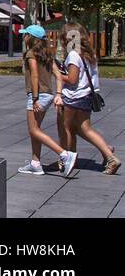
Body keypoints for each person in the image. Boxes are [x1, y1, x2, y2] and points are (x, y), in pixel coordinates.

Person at [59, 22, 120, 175]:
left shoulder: (73, 55)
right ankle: (105, 151)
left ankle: (70, 158)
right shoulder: (88, 54)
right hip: (86, 96)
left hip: (74, 96)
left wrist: (56, 74)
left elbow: (72, 79)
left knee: (68, 128)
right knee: (79, 128)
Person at [15, 25, 76, 176]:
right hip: (48, 94)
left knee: (34, 130)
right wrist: (58, 94)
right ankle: (35, 163)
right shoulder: (48, 54)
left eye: (26, 35)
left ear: (31, 38)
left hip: (38, 95)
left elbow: (34, 76)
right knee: (36, 130)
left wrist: (35, 98)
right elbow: (59, 75)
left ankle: (64, 154)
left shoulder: (30, 53)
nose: (24, 37)